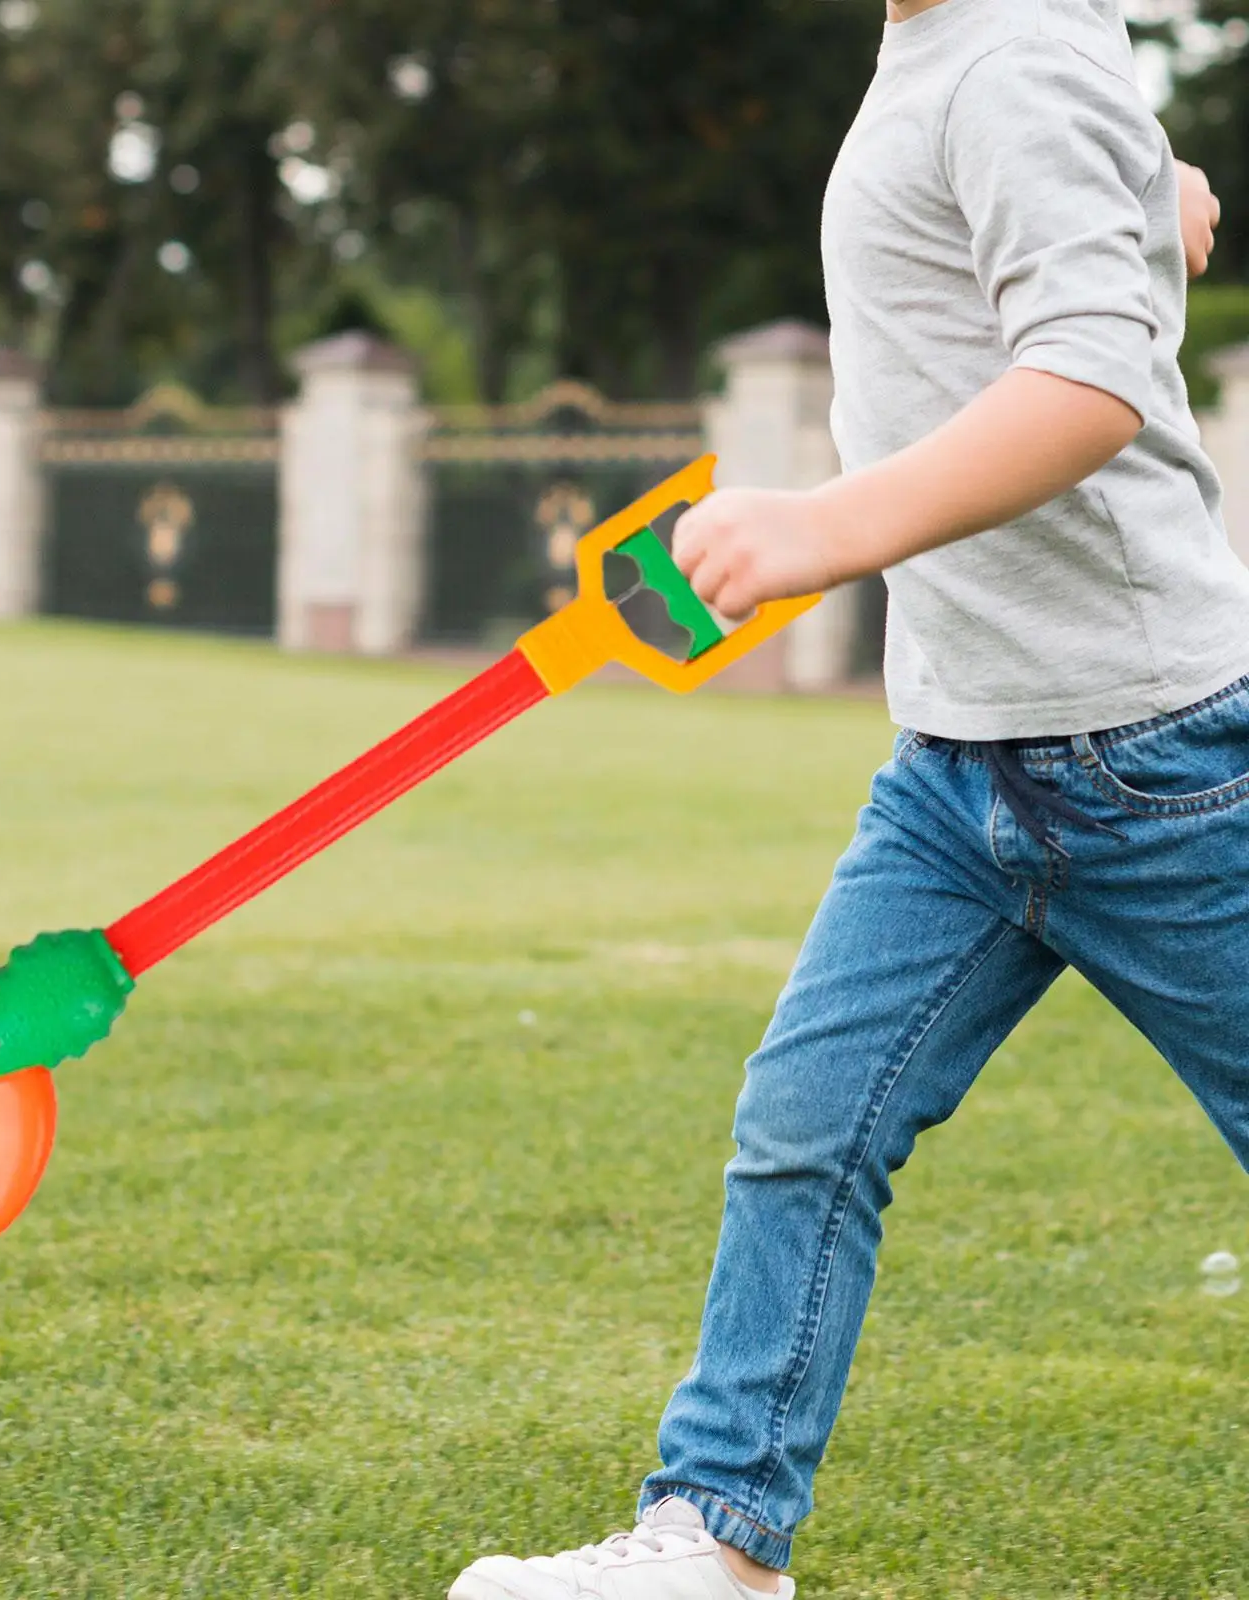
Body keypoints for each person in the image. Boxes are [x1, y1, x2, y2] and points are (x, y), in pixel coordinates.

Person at [449, 1, 1240, 1596]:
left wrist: (823, 529)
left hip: (1152, 766)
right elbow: (1051, 231)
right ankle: (716, 1541)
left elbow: (1087, 379)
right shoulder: (975, 50)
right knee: (805, 1131)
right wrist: (1149, 188)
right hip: (959, 769)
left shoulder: (1012, 49)